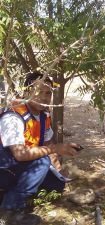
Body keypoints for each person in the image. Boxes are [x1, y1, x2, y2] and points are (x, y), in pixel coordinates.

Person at [0, 72, 80, 224]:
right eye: (38, 92)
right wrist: (55, 148)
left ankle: (13, 193)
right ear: (26, 92)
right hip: (4, 167)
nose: (44, 97)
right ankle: (9, 210)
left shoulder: (43, 116)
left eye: (48, 93)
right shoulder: (13, 116)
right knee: (42, 161)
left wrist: (59, 171)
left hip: (18, 167)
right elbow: (20, 155)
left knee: (57, 185)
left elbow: (49, 144)